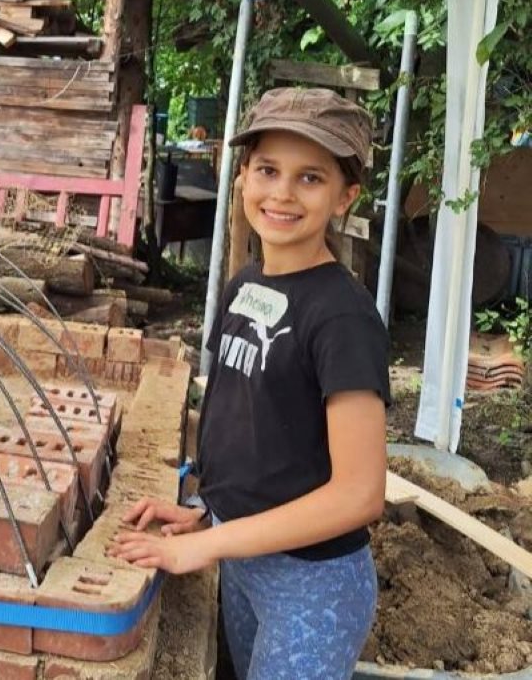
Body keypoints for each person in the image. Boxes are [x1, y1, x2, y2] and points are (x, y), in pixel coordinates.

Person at [109, 88, 390, 679]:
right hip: (242, 558)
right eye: (268, 170)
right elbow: (248, 421)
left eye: (310, 178)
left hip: (312, 587)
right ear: (241, 178)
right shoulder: (245, 285)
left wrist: (203, 548)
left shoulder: (342, 317)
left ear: (346, 198)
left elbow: (360, 494)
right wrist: (208, 511)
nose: (283, 193)